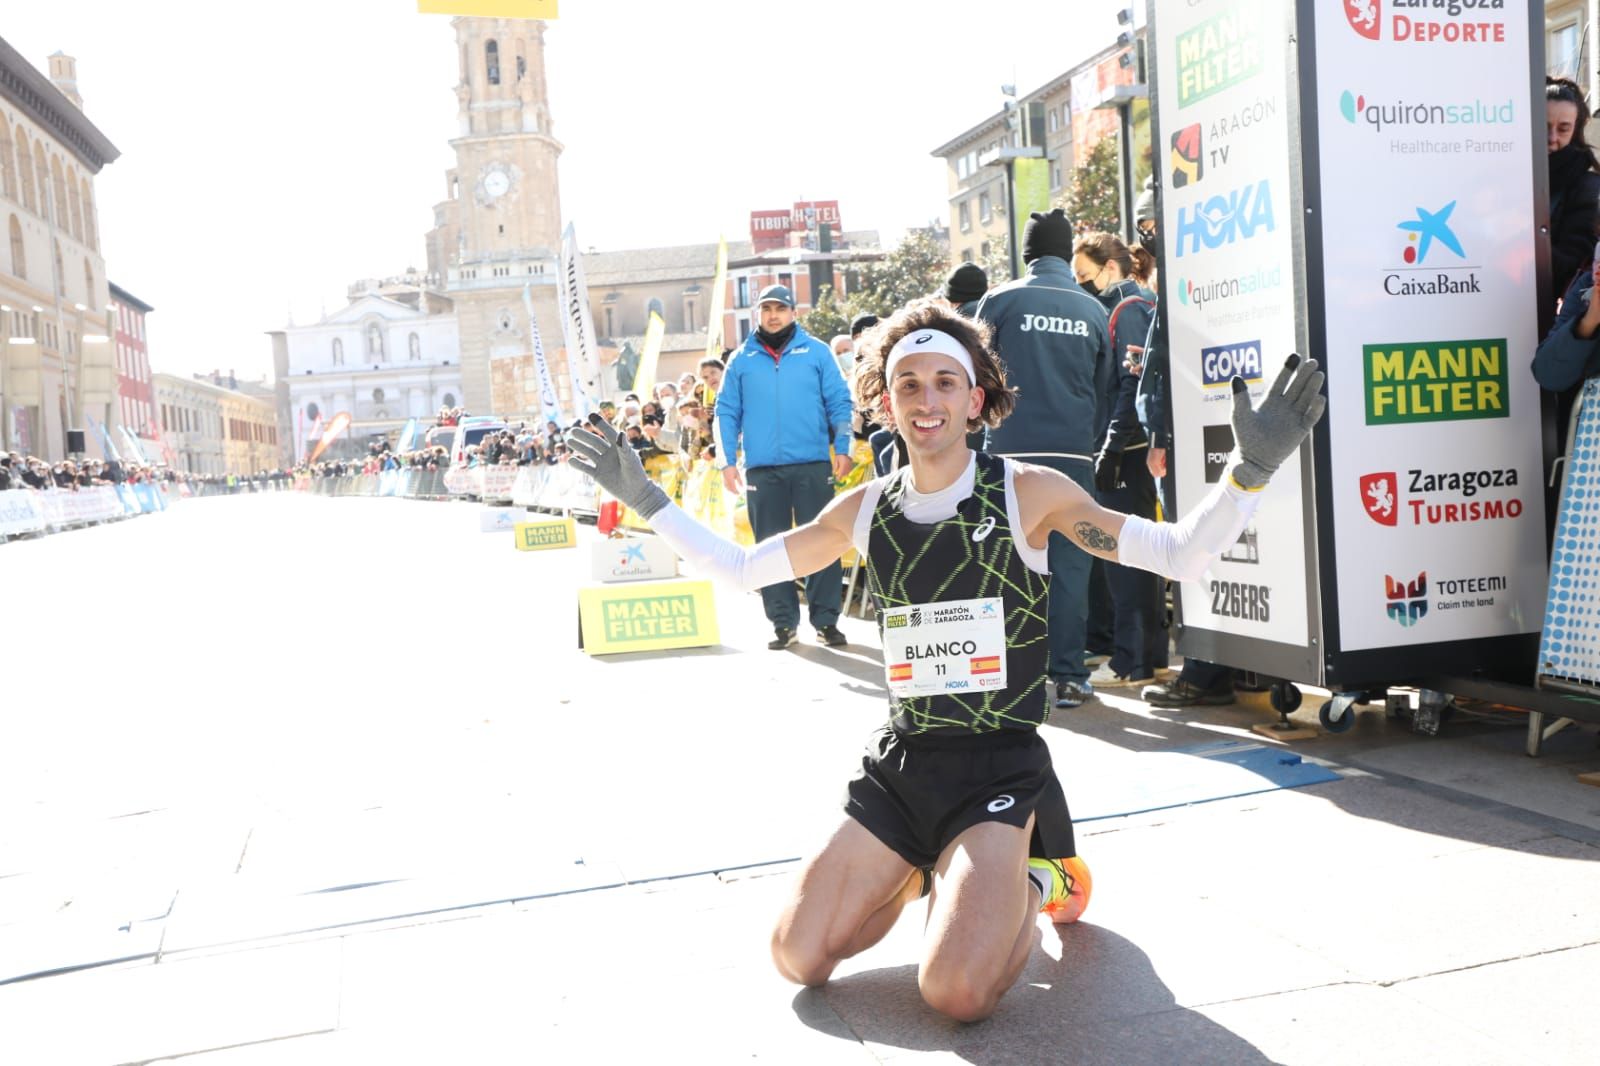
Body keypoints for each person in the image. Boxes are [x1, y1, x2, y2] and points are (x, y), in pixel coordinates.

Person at [565, 298, 1325, 1021]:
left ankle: (1033, 872)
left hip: (998, 768)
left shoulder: (1031, 493)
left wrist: (1248, 473)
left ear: (977, 399)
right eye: (907, 385)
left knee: (956, 992)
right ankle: (922, 871)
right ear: (885, 402)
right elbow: (741, 568)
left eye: (944, 383)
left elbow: (1179, 554)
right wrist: (645, 500)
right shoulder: (862, 509)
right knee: (797, 957)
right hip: (904, 766)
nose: (925, 399)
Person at [975, 208, 1115, 709]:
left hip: (1009, 454)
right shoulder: (1092, 309)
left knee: (1007, 570)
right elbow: (1106, 389)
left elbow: (978, 377)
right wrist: (1086, 441)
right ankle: (1071, 676)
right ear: (1065, 250)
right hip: (1073, 456)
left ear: (1028, 252)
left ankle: (1012, 678)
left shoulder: (1001, 300)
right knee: (1071, 572)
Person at [714, 284, 855, 649]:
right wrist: (727, 461)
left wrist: (843, 446)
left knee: (822, 543)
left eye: (780, 308)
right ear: (757, 314)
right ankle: (782, 623)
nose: (773, 315)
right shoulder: (741, 359)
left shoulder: (818, 352)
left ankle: (826, 621)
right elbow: (726, 412)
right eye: (766, 309)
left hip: (812, 464)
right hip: (762, 469)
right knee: (769, 550)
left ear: (793, 312)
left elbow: (840, 401)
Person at [1077, 232, 1164, 688]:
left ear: (1110, 269)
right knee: (1137, 553)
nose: (1082, 286)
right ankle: (1144, 656)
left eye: (1085, 276)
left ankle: (1132, 659)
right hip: (1132, 447)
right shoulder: (1138, 306)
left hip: (1125, 451)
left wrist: (1111, 445)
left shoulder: (1127, 310)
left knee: (1124, 555)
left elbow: (1133, 382)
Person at [1547, 77, 1600, 313]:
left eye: (1563, 128)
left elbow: (1573, 266)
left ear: (1576, 129)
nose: (1552, 138)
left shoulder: (1587, 186)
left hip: (1550, 318)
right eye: (1543, 126)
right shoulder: (1504, 174)